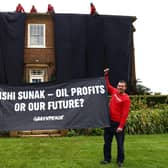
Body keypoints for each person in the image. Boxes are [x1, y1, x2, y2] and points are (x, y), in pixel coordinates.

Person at [101, 68, 131, 167]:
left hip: (118, 125)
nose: (120, 87)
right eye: (119, 86)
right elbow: (107, 85)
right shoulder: (114, 91)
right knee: (107, 143)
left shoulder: (126, 98)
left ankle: (120, 161)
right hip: (109, 123)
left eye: (122, 86)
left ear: (125, 88)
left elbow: (125, 113)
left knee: (120, 145)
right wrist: (106, 75)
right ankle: (107, 159)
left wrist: (121, 126)